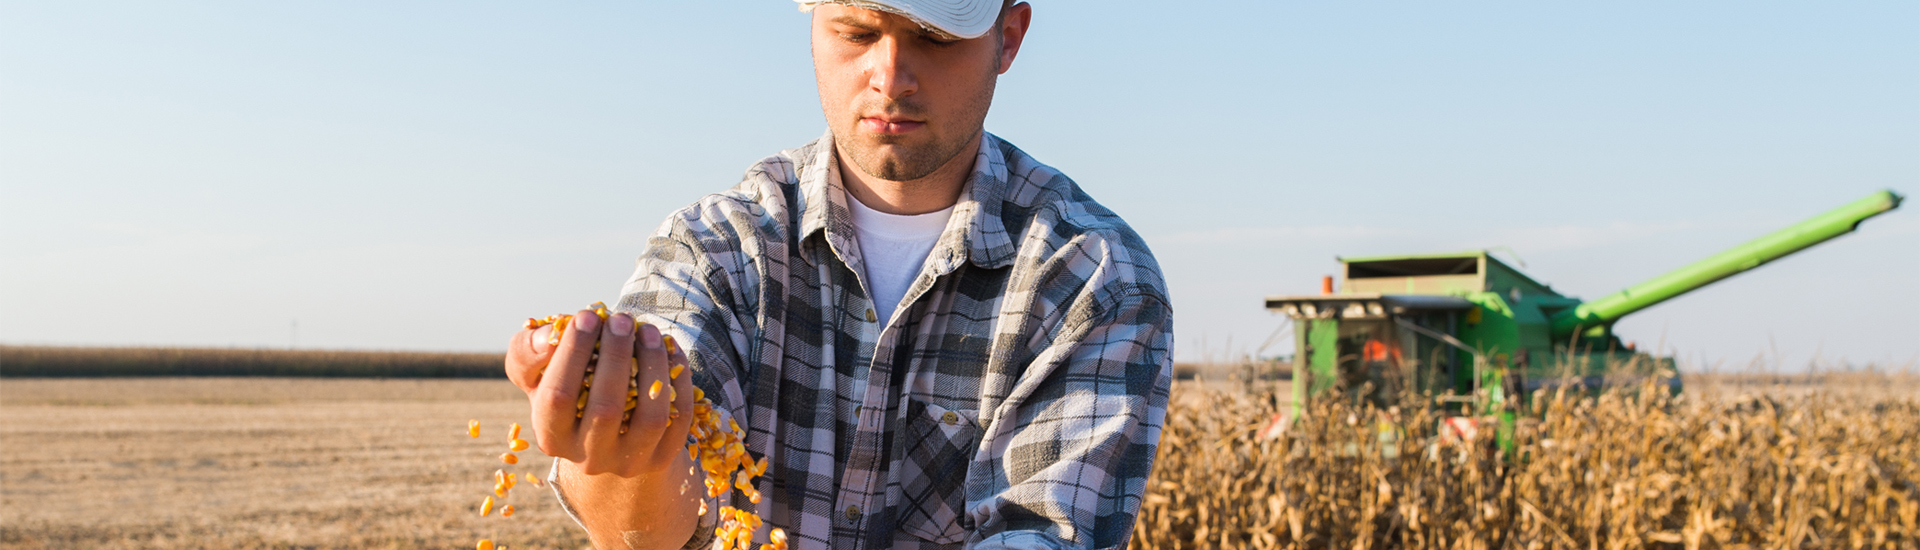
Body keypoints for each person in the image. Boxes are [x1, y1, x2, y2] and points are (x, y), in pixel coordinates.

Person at [501, 1, 1173, 548]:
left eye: (934, 38)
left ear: (1009, 37)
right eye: (856, 30)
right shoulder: (719, 249)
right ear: (813, 21)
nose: (890, 75)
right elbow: (649, 528)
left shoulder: (1091, 280)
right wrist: (626, 448)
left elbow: (1039, 535)